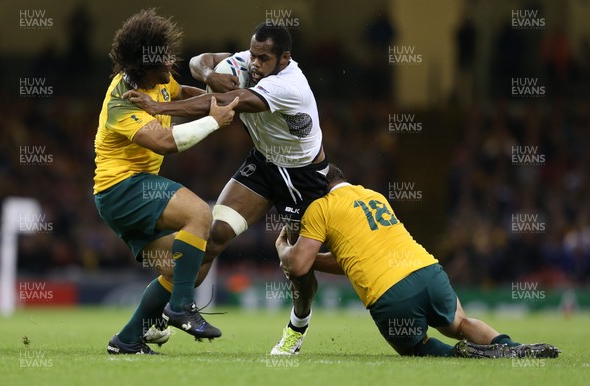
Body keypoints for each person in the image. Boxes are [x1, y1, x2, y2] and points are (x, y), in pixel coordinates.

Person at [124, 22, 327, 354]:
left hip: (303, 177)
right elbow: (197, 61)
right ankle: (164, 315)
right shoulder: (249, 60)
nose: (255, 65)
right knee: (212, 237)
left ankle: (297, 327)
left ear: (284, 58)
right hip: (264, 165)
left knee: (298, 266)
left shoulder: (289, 86)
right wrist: (209, 74)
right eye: (254, 55)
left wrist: (159, 108)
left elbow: (221, 103)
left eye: (264, 59)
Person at [274, 164, 561, 358]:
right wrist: (315, 260)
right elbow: (350, 258)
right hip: (428, 271)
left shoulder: (320, 208)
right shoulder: (372, 195)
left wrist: (282, 248)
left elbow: (298, 264)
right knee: (460, 322)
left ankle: (464, 355)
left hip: (390, 294)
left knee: (416, 348)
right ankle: (512, 347)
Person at [93, 8, 239, 355]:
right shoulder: (121, 102)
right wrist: (214, 122)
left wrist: (223, 100)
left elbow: (182, 95)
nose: (171, 62)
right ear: (143, 67)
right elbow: (163, 142)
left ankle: (128, 339)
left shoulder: (157, 81)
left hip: (130, 190)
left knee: (189, 266)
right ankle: (181, 309)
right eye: (163, 58)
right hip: (122, 188)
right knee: (200, 214)